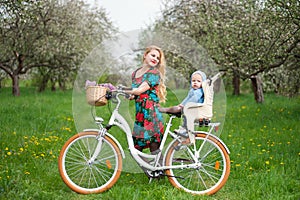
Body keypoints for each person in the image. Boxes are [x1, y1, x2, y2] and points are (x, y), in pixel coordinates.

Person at [125, 45, 167, 154]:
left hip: (151, 113)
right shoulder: (135, 73)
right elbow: (136, 92)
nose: (155, 59)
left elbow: (139, 90)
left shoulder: (154, 73)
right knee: (135, 149)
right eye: (153, 55)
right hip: (140, 113)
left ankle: (160, 170)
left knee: (154, 148)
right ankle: (151, 171)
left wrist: (123, 90)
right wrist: (131, 95)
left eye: (158, 58)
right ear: (145, 55)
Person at [159, 70, 207, 136]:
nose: (195, 83)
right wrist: (182, 104)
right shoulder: (193, 90)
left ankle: (185, 129)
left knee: (187, 115)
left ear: (203, 83)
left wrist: (186, 106)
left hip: (196, 109)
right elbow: (187, 98)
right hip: (190, 108)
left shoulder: (199, 92)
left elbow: (194, 99)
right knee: (182, 112)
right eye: (193, 81)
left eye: (198, 81)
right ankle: (183, 130)